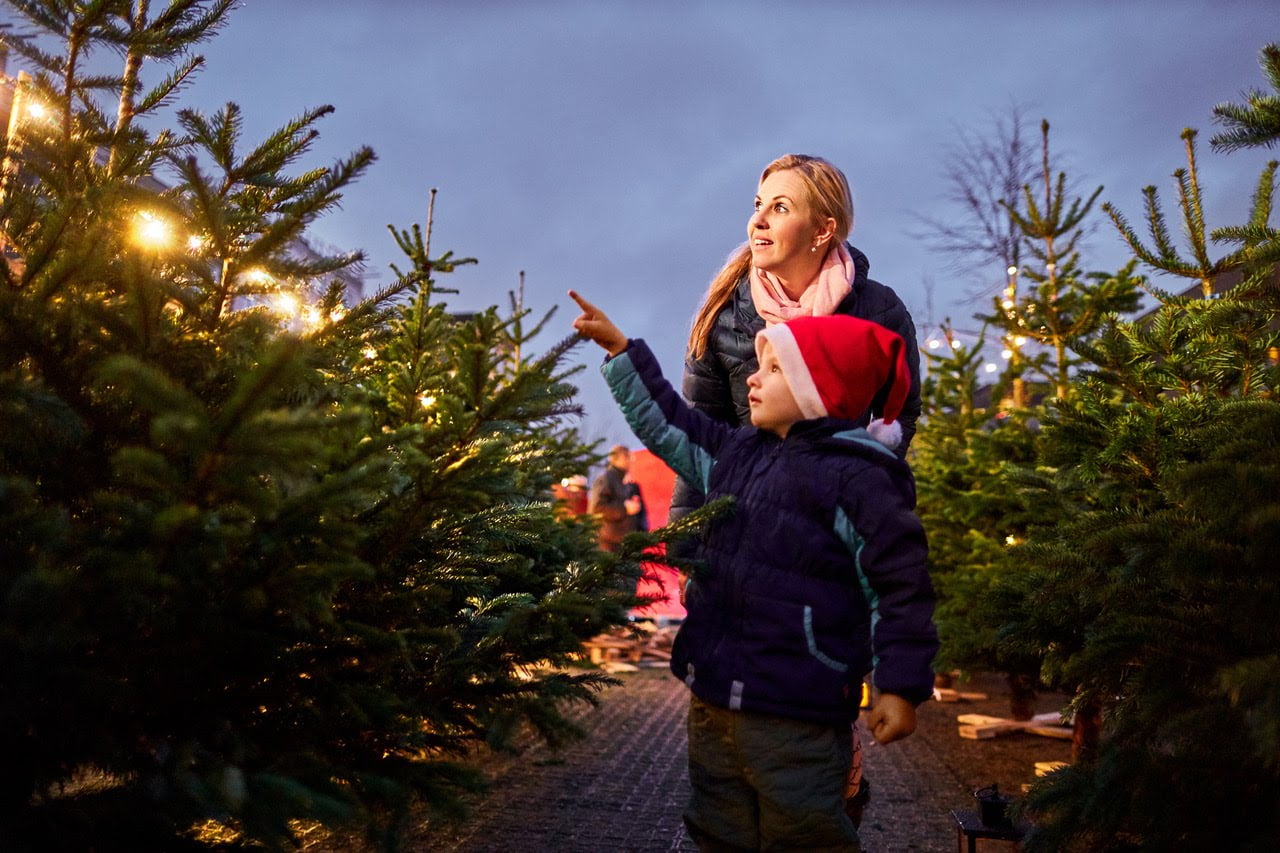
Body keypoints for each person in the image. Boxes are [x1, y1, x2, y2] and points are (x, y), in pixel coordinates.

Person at [570, 290, 937, 852]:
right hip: (713, 697)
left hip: (798, 711)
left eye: (774, 369)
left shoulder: (859, 479)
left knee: (803, 833)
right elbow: (671, 425)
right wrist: (622, 351)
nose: (752, 381)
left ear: (821, 389)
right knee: (717, 826)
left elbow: (900, 589)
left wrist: (899, 688)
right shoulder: (738, 451)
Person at [674, 153, 923, 822]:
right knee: (732, 726)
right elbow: (699, 430)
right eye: (758, 201)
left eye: (780, 205)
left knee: (813, 709)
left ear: (824, 230)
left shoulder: (877, 309)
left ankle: (825, 807)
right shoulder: (726, 311)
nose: (759, 216)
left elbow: (899, 423)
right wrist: (688, 537)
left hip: (826, 543)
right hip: (739, 532)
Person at [588, 445, 645, 552]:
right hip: (610, 545)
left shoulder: (626, 481)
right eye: (628, 457)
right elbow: (597, 508)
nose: (631, 461)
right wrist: (624, 508)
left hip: (626, 541)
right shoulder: (606, 479)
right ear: (619, 458)